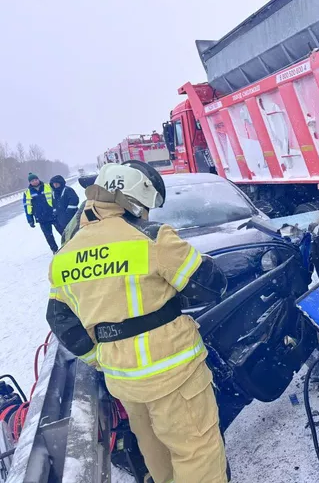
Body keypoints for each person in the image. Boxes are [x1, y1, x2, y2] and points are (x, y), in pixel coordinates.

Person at [45, 162, 229, 483]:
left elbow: (60, 319)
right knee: (197, 452)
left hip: (124, 380)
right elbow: (211, 286)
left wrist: (100, 357)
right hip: (175, 374)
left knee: (156, 451)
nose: (146, 214)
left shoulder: (65, 256)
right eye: (145, 207)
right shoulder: (152, 238)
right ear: (134, 200)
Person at [23, 173, 59, 253]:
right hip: (41, 218)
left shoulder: (48, 186)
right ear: (30, 182)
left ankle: (68, 245)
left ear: (38, 179)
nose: (35, 181)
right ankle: (55, 250)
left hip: (53, 215)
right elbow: (27, 207)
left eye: (36, 179)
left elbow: (56, 197)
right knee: (48, 236)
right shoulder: (27, 193)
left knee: (63, 231)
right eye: (32, 181)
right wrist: (30, 220)